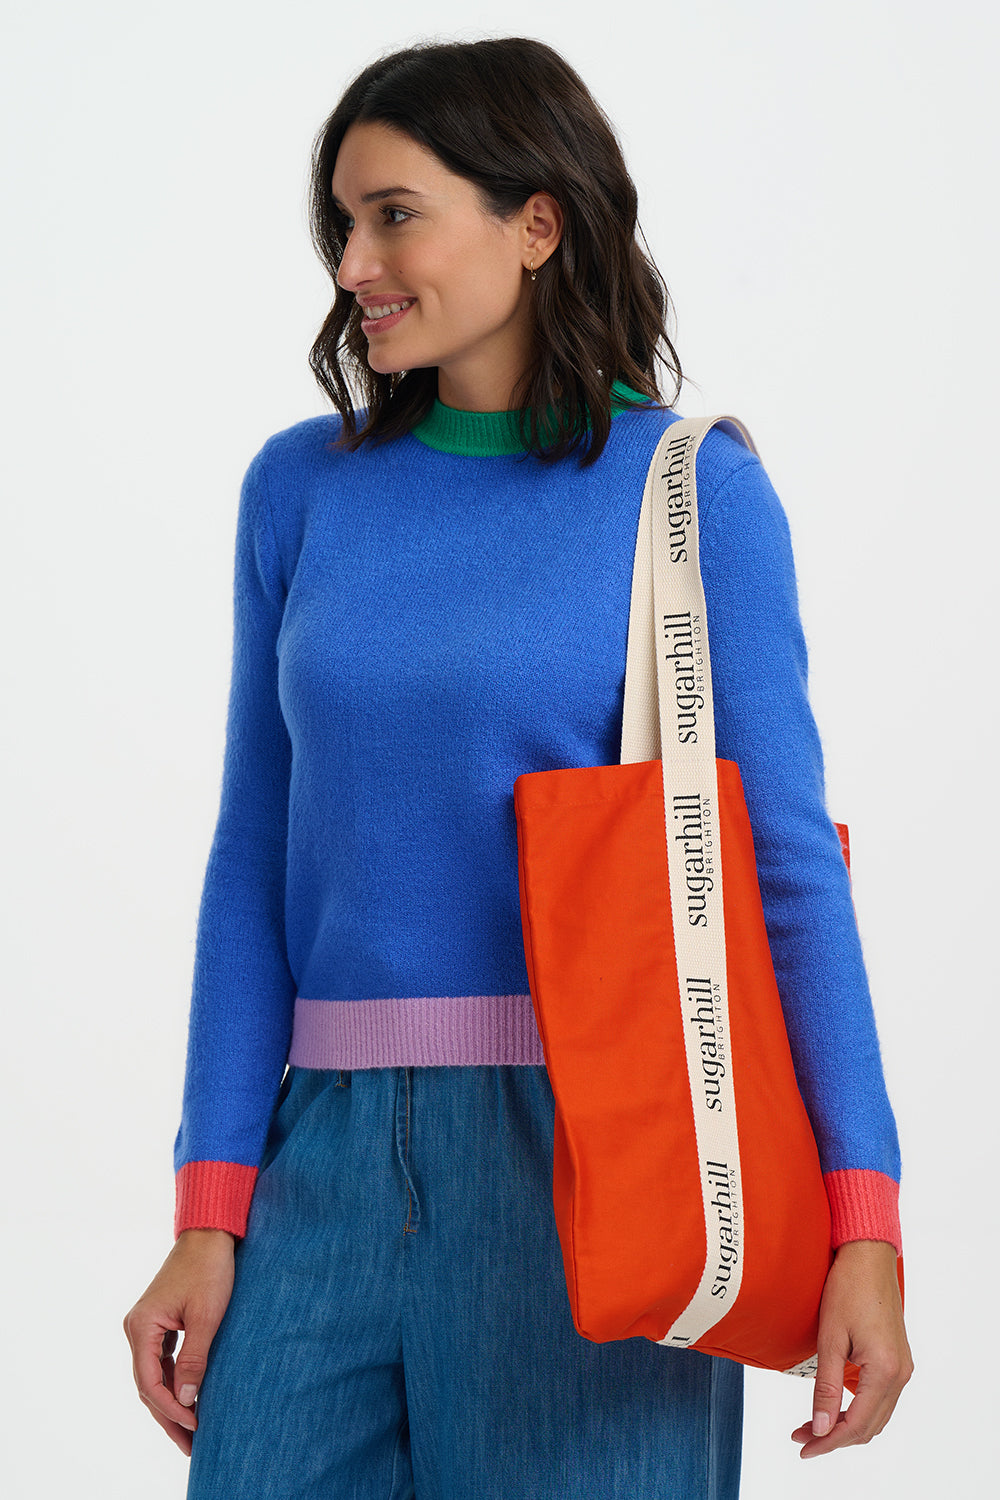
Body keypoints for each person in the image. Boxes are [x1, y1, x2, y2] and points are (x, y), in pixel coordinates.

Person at [123, 36, 912, 1499]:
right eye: (341, 223)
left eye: (395, 215)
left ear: (536, 223)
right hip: (320, 1163)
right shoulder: (300, 488)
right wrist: (210, 1205)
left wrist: (866, 1222)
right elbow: (253, 861)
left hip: (595, 1153)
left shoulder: (691, 496)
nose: (355, 260)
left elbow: (785, 872)